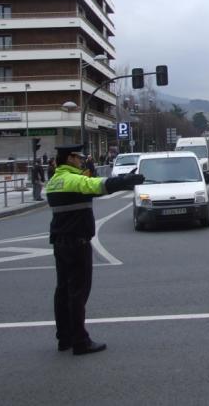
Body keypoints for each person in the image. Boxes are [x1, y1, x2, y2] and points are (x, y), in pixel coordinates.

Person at [46, 144, 144, 355]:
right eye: (79, 157)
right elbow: (98, 185)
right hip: (77, 242)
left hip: (60, 242)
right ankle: (80, 340)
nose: (82, 160)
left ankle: (64, 337)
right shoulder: (73, 180)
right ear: (70, 158)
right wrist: (125, 181)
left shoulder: (54, 181)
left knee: (62, 291)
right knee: (78, 292)